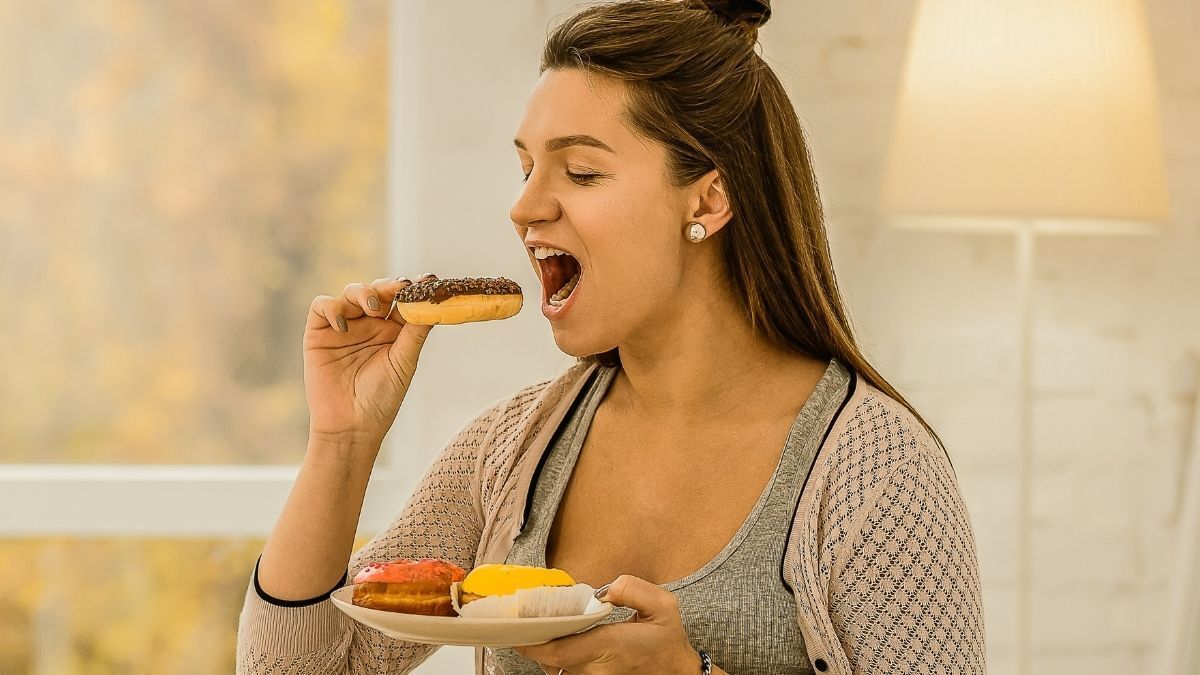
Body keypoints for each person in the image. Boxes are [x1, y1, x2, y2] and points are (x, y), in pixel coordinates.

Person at [236, 1, 986, 673]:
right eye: (526, 168)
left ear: (708, 200)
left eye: (582, 172)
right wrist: (342, 441)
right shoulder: (511, 449)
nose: (524, 207)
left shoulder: (876, 471)